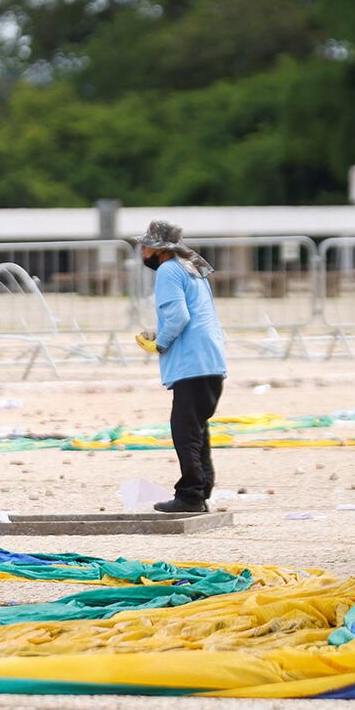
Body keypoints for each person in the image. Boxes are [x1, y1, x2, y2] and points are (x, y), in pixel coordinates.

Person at [134, 220, 228, 513]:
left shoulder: (168, 270)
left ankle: (190, 495)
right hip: (210, 360)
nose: (142, 251)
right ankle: (201, 491)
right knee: (197, 428)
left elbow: (178, 318)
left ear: (159, 250)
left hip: (192, 362)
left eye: (145, 246)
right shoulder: (193, 267)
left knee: (184, 430)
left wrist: (160, 343)